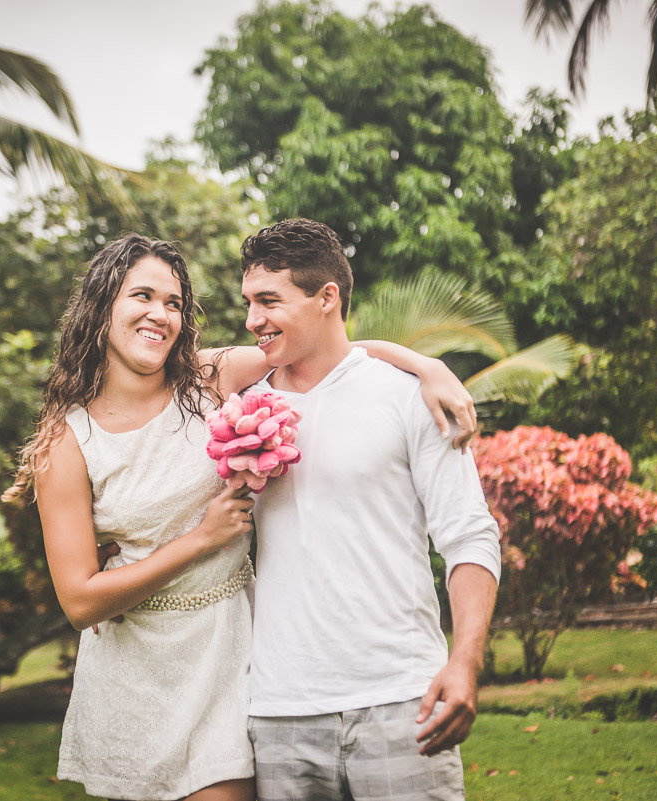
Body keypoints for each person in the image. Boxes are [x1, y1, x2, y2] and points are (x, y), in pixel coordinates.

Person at [3, 233, 477, 801]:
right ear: (103, 305)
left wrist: (426, 364)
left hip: (229, 658)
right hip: (136, 668)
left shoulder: (207, 379)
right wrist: (201, 539)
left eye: (174, 303)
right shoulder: (68, 440)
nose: (160, 314)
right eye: (142, 296)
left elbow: (324, 347)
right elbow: (79, 600)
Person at [240, 218, 502, 801]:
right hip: (280, 711)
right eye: (248, 303)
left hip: (403, 700)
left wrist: (464, 664)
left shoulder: (409, 395)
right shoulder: (239, 411)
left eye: (268, 301)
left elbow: (470, 537)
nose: (252, 319)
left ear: (327, 296)